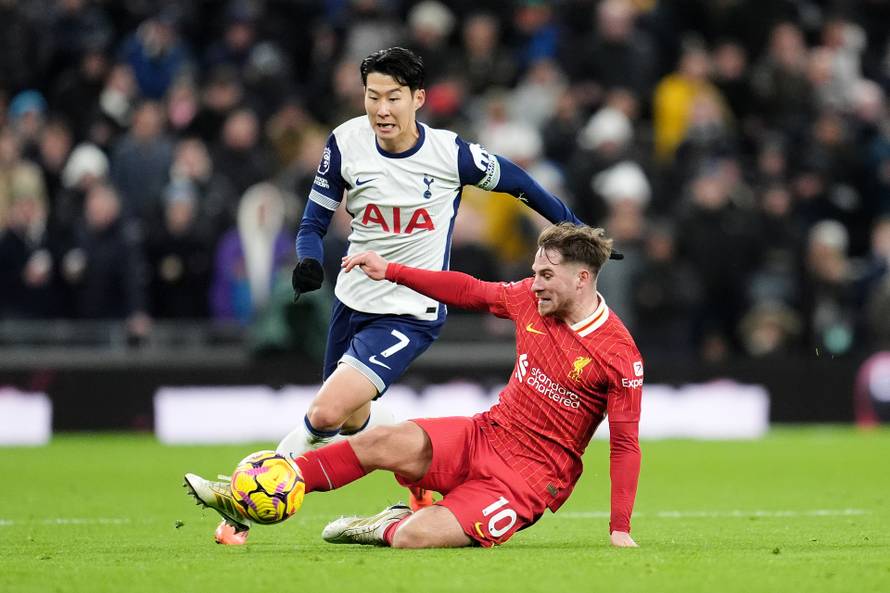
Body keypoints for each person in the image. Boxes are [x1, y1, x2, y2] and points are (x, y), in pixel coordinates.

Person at [185, 222, 642, 549]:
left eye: (546, 276)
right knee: (382, 441)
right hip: (486, 432)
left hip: (526, 480)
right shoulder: (529, 300)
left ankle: (385, 525)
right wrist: (395, 271)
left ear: (582, 278)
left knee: (415, 538)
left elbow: (624, 445)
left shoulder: (618, 354)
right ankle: (261, 492)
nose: (535, 284)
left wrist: (618, 527)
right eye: (535, 272)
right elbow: (469, 289)